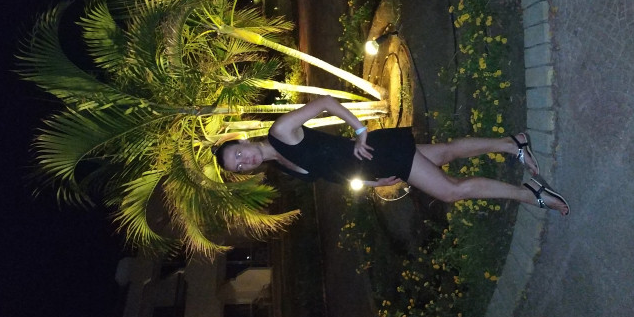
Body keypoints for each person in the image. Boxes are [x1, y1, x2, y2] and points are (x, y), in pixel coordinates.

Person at [214, 95, 570, 215]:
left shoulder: (279, 133)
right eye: (239, 166)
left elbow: (324, 103)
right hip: (374, 164)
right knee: (445, 152)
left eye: (238, 154)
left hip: (375, 151)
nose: (245, 161)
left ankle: (530, 194)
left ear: (242, 141)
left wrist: (359, 130)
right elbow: (330, 171)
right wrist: (370, 183)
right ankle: (512, 144)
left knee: (450, 191)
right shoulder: (281, 165)